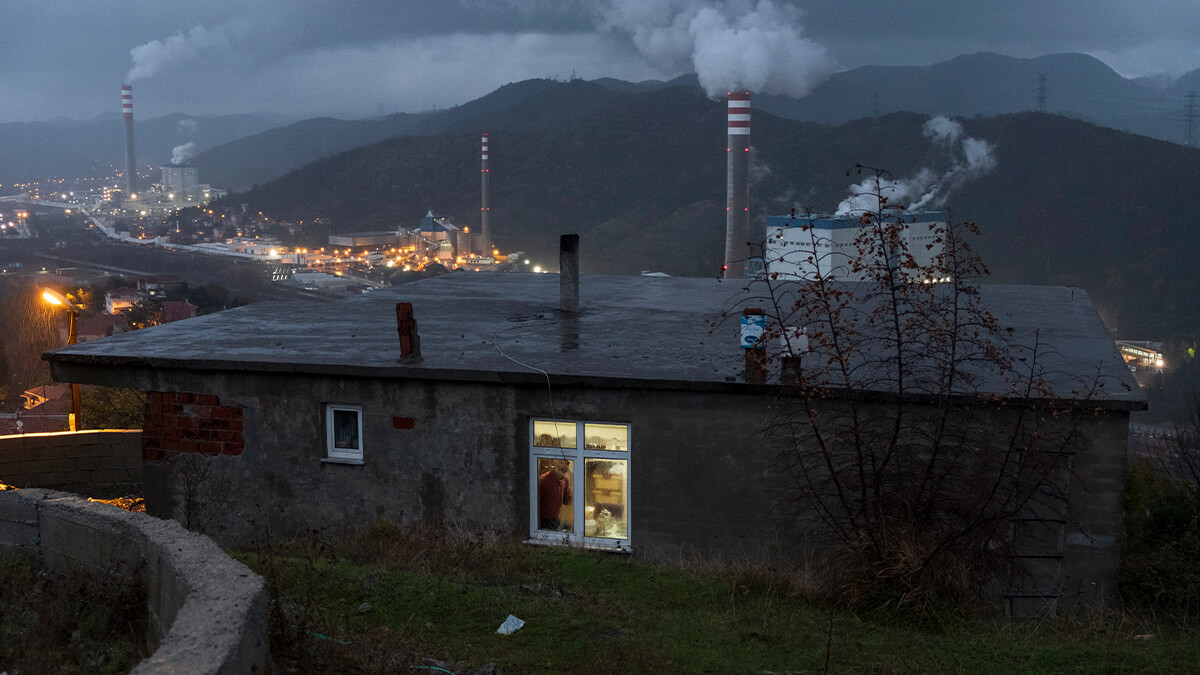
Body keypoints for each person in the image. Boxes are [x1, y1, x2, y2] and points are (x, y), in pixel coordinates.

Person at [537, 460, 572, 531]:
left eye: (567, 463)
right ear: (555, 463)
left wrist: (572, 493)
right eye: (561, 462)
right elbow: (534, 504)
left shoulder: (565, 480)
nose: (565, 466)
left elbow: (565, 501)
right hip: (542, 521)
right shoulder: (543, 481)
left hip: (556, 520)